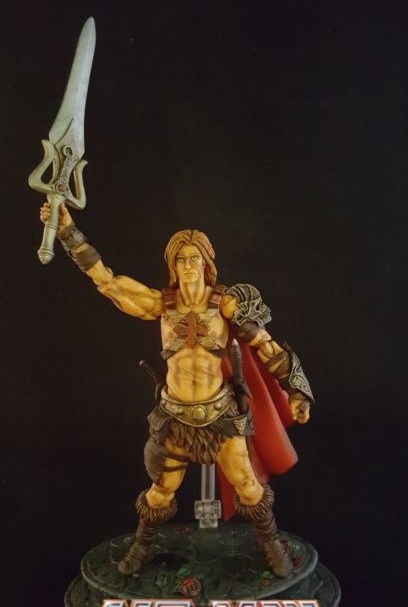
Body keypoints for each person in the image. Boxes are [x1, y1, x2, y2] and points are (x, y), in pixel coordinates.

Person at [40, 203, 314, 578]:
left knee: (249, 487)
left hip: (221, 417)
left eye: (194, 258)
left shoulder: (226, 305)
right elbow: (107, 282)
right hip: (175, 418)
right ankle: (142, 545)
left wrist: (297, 390)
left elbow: (267, 347)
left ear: (206, 262)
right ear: (173, 265)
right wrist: (68, 231)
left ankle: (271, 544)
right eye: (181, 259)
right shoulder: (161, 304)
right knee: (160, 492)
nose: (188, 265)